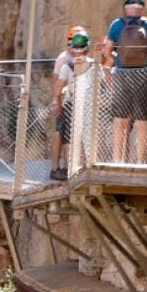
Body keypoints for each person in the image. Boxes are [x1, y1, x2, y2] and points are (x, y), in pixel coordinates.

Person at [102, 0, 147, 164]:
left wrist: (113, 59)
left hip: (122, 74)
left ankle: (117, 160)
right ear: (142, 8)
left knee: (120, 121)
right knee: (142, 122)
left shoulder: (116, 25)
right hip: (142, 74)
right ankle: (142, 162)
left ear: (125, 8)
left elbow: (106, 52)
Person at [50, 26, 94, 179]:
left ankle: (71, 170)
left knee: (68, 137)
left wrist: (59, 101)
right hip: (84, 105)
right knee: (70, 135)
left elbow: (56, 86)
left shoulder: (67, 65)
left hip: (69, 102)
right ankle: (65, 168)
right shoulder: (91, 63)